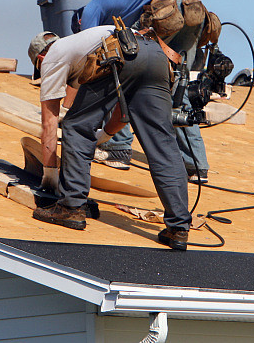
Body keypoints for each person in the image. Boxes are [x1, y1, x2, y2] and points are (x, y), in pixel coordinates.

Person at [27, 26, 192, 250]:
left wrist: (50, 177)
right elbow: (124, 109)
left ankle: (71, 207)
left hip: (117, 51)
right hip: (155, 54)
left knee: (76, 126)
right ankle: (178, 228)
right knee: (162, 143)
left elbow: (49, 123)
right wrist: (105, 135)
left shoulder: (53, 56)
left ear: (40, 58)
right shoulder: (81, 45)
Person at [78, 0, 211, 182]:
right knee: (177, 87)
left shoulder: (89, 11)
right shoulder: (118, 7)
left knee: (118, 71)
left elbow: (88, 50)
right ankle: (195, 165)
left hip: (168, 6)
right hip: (193, 6)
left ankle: (117, 148)